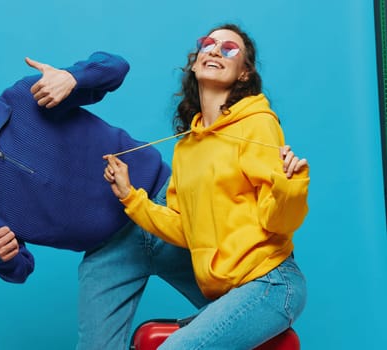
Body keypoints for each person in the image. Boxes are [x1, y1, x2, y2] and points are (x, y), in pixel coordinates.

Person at [0, 52, 210, 350]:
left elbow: (117, 67)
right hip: (107, 252)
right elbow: (20, 269)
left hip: (161, 201)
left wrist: (73, 78)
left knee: (241, 302)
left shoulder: (27, 97)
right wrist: (3, 256)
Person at [103, 23, 309, 349]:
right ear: (195, 62)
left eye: (230, 48)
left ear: (244, 73)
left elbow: (278, 223)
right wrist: (132, 198)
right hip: (231, 293)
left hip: (271, 282)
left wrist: (290, 186)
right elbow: (187, 229)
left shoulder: (257, 123)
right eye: (208, 44)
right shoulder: (186, 148)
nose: (215, 50)